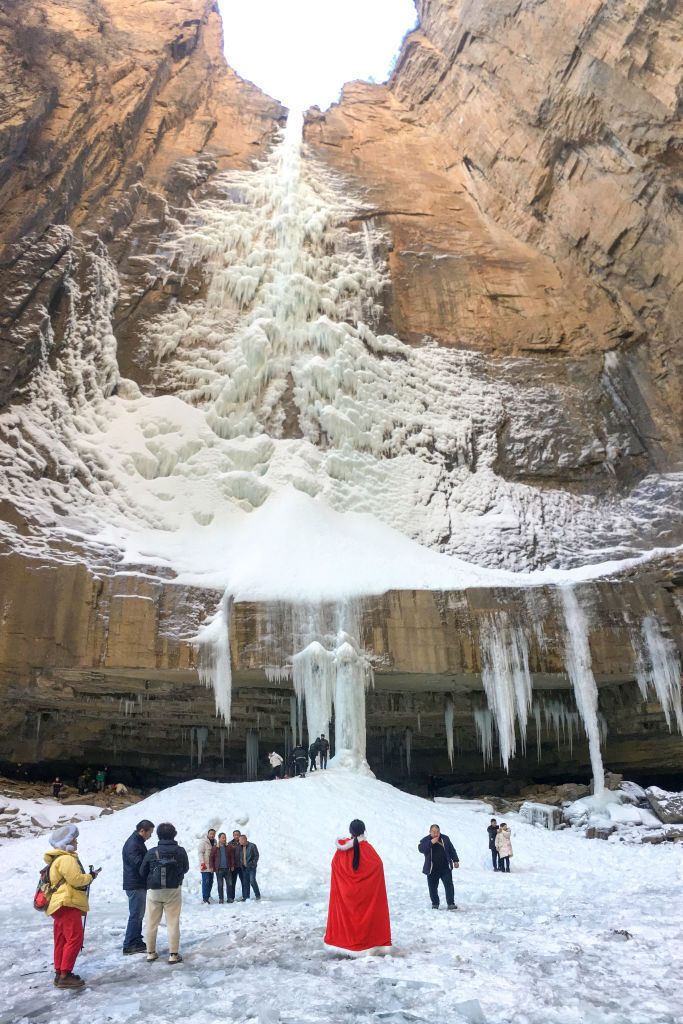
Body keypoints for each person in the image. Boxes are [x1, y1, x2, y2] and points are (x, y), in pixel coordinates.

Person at [44, 824, 101, 989]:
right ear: (67, 842)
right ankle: (65, 975)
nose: (76, 843)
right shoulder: (67, 858)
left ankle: (60, 972)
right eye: (74, 840)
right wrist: (90, 876)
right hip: (67, 902)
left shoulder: (57, 859)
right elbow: (76, 880)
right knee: (75, 938)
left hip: (58, 904)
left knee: (61, 939)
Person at [324, 819, 391, 955]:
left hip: (345, 895)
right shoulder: (368, 849)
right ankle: (367, 944)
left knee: (347, 918)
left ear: (350, 831)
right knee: (366, 917)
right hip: (365, 895)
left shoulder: (342, 850)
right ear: (364, 831)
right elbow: (377, 866)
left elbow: (335, 866)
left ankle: (344, 942)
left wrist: (344, 884)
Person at [140, 822, 189, 964]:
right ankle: (173, 954)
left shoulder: (152, 851)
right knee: (173, 922)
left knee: (151, 922)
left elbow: (142, 871)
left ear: (159, 835)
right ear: (174, 834)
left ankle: (150, 952)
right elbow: (185, 868)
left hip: (154, 891)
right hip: (173, 889)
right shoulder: (180, 851)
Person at [121, 818, 155, 954]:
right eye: (150, 832)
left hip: (138, 883)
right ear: (142, 830)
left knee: (139, 914)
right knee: (135, 914)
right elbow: (139, 864)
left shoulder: (137, 841)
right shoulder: (133, 844)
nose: (150, 835)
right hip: (135, 884)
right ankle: (129, 944)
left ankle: (136, 940)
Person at [418, 824, 459, 910]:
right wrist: (431, 842)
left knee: (449, 885)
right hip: (432, 868)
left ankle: (451, 903)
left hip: (445, 867)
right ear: (430, 832)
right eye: (433, 832)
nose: (436, 834)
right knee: (432, 887)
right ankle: (435, 903)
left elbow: (451, 849)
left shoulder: (445, 838)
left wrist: (455, 860)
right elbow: (421, 849)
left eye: (437, 832)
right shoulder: (425, 840)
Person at [211, 832, 237, 903]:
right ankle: (221, 899)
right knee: (220, 885)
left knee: (229, 884)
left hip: (227, 869)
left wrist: (232, 865)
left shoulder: (228, 847)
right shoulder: (215, 847)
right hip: (219, 870)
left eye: (225, 837)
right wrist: (213, 868)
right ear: (219, 838)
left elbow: (232, 857)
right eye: (223, 837)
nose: (224, 839)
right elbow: (211, 858)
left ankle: (229, 898)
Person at [237, 833, 260, 901]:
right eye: (239, 840)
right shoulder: (240, 847)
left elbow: (256, 856)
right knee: (245, 882)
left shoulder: (252, 846)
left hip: (251, 867)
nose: (239, 842)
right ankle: (246, 897)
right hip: (244, 867)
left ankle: (257, 895)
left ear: (245, 839)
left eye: (240, 840)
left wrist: (253, 863)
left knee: (252, 881)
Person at [198, 828, 217, 904]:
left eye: (213, 834)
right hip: (205, 866)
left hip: (212, 866)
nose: (212, 835)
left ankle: (208, 896)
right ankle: (205, 898)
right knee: (206, 882)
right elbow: (200, 853)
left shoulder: (215, 842)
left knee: (211, 881)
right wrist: (202, 863)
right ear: (208, 834)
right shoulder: (203, 842)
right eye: (211, 834)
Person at [228, 830, 242, 901]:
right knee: (232, 882)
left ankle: (245, 896)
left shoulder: (243, 842)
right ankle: (231, 897)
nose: (236, 836)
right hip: (233, 867)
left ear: (240, 835)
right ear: (233, 835)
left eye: (238, 835)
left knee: (244, 882)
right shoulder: (230, 844)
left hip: (242, 866)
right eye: (235, 835)